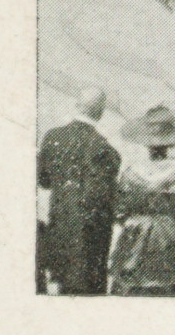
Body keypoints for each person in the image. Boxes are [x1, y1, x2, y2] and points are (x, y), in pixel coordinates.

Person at [37, 88, 120, 295]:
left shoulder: (52, 137)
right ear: (100, 112)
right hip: (91, 239)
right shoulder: (105, 149)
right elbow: (106, 199)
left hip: (60, 228)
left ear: (77, 105)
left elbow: (43, 181)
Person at [106, 106, 175, 296]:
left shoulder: (130, 173)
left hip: (135, 235)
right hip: (169, 237)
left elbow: (119, 210)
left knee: (131, 290)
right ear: (171, 143)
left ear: (145, 142)